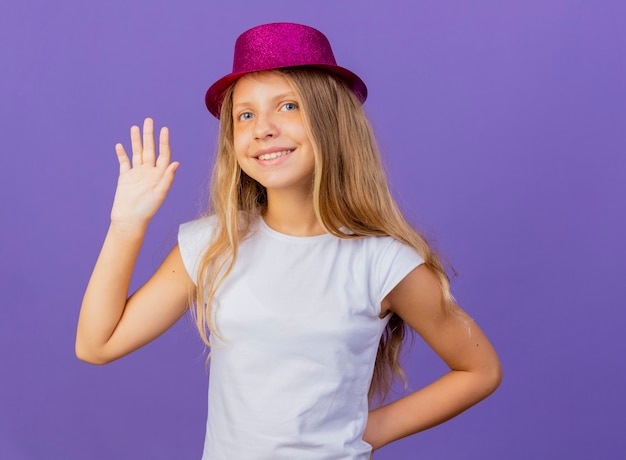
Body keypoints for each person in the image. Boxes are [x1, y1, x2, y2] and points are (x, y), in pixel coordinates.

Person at [76, 22, 501, 459]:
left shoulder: (383, 262)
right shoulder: (214, 244)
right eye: (246, 114)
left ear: (331, 120)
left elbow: (479, 369)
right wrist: (126, 224)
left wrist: (367, 431)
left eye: (287, 106)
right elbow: (96, 344)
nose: (263, 128)